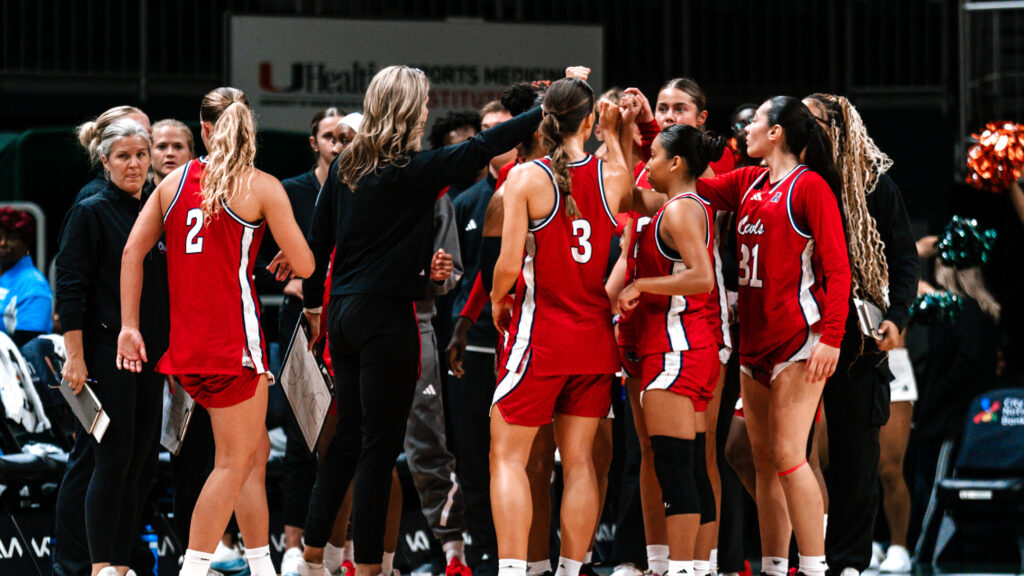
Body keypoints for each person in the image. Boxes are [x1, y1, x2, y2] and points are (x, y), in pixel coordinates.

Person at [297, 65, 543, 576]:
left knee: (347, 443)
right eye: (424, 102)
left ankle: (311, 560)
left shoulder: (344, 169)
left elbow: (319, 245)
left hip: (342, 314)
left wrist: (318, 304)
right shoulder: (415, 168)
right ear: (411, 110)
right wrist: (546, 110)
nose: (429, 109)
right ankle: (368, 569)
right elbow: (484, 147)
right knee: (378, 451)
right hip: (388, 318)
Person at [116, 86, 314, 576]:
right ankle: (195, 566)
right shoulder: (262, 186)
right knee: (233, 461)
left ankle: (260, 562)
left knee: (251, 454)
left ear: (203, 129)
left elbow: (131, 254)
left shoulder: (174, 181)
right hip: (234, 343)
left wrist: (129, 326)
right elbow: (308, 264)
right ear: (249, 126)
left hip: (186, 348)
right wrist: (289, 255)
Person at [694, 95, 851, 576]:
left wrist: (832, 337)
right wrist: (645, 132)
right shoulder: (748, 181)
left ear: (778, 132)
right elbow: (688, 182)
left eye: (757, 120)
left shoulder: (810, 188)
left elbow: (838, 270)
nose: (747, 129)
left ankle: (816, 565)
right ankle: (775, 564)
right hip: (753, 341)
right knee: (760, 460)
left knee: (788, 455)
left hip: (800, 340)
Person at [488, 78, 631, 576]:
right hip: (594, 338)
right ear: (588, 121)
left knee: (506, 459)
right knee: (581, 464)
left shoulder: (525, 177)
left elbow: (508, 266)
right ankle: (572, 569)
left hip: (542, 335)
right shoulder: (613, 176)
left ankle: (512, 570)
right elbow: (628, 182)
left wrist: (495, 299)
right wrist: (613, 133)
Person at [802, 93, 919, 576]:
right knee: (791, 455)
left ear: (836, 127)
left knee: (858, 456)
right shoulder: (786, 180)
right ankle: (799, 555)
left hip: (857, 336)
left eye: (811, 121)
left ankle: (850, 561)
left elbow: (905, 259)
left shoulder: (874, 186)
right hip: (797, 331)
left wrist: (897, 315)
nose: (802, 128)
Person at [55, 117, 167, 576]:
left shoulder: (155, 210)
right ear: (104, 161)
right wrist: (76, 357)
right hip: (105, 351)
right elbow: (70, 287)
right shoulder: (92, 209)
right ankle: (100, 565)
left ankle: (120, 563)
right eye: (123, 156)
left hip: (151, 355)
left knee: (140, 463)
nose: (134, 164)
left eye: (141, 155)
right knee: (112, 459)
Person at [616, 123, 723, 576]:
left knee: (676, 470)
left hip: (675, 347)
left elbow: (702, 278)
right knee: (693, 468)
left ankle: (679, 569)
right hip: (693, 347)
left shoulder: (679, 211)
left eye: (654, 156)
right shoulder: (678, 204)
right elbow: (622, 196)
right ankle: (695, 567)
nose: (646, 164)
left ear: (676, 163)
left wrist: (642, 283)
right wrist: (618, 134)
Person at [277, 106, 344, 575]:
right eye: (328, 137)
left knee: (343, 436)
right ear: (313, 141)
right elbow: (265, 256)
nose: (336, 145)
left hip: (345, 318)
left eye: (343, 137)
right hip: (300, 320)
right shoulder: (290, 191)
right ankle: (293, 541)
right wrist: (295, 280)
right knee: (301, 436)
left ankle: (341, 545)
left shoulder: (358, 186)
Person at [0, 208, 52, 346]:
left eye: (11, 238)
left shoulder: (33, 284)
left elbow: (29, 345)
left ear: (25, 242)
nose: (3, 243)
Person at [150, 119, 195, 186]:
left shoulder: (206, 196)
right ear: (149, 155)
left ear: (190, 156)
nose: (170, 153)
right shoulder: (138, 196)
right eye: (161, 147)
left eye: (178, 147)